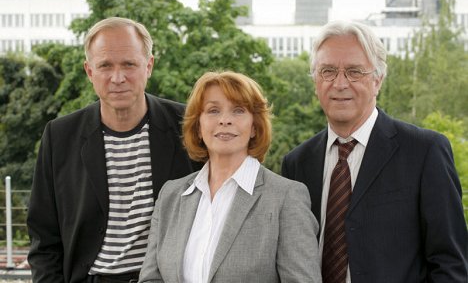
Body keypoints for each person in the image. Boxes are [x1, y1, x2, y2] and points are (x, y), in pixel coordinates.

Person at [282, 20, 468, 282]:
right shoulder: (297, 163)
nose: (340, 83)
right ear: (315, 82)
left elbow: (451, 264)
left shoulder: (425, 152)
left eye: (355, 72)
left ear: (378, 80)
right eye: (328, 71)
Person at [27, 17, 201, 283]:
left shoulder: (188, 126)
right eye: (105, 66)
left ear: (149, 66)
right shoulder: (60, 136)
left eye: (129, 64)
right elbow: (44, 237)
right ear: (89, 71)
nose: (117, 78)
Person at [138, 71, 322, 283]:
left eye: (238, 111)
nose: (225, 120)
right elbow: (150, 278)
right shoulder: (170, 195)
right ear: (198, 126)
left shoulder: (286, 197)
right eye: (213, 111)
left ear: (254, 127)